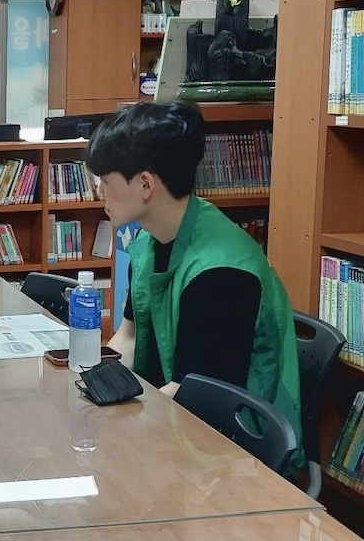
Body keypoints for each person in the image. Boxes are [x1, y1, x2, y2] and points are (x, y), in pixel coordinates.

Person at [86, 101, 303, 467]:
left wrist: (113, 426)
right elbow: (129, 336)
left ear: (144, 185)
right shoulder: (148, 243)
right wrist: (95, 385)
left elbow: (197, 394)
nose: (99, 192)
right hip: (169, 425)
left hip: (226, 453)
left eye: (106, 181)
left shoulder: (221, 272)